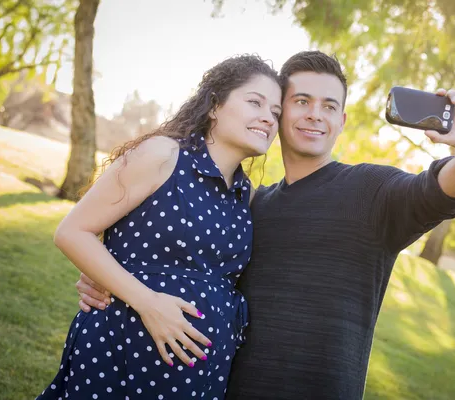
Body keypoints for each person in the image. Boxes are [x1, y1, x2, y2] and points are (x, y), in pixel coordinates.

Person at [77, 51, 455, 399]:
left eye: (329, 106)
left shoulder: (371, 190)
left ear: (342, 121)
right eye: (301, 101)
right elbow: (191, 261)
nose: (315, 115)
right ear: (280, 113)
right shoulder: (251, 204)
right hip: (221, 386)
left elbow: (439, 192)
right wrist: (112, 278)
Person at [37, 54, 282, 400]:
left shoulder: (246, 197)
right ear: (214, 105)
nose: (267, 117)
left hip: (201, 373)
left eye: (275, 112)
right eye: (255, 102)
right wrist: (148, 302)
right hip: (122, 350)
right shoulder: (163, 155)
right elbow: (73, 232)